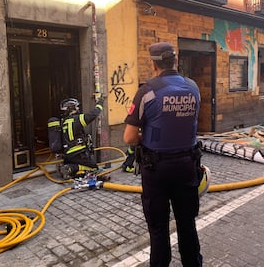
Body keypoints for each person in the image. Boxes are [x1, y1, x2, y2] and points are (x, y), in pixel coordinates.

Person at [123, 42, 203, 266]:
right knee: (187, 224)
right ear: (175, 61)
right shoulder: (193, 88)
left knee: (159, 229)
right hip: (187, 165)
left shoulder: (147, 91)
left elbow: (129, 138)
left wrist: (146, 137)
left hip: (156, 169)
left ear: (153, 63)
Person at [58, 97, 104, 179]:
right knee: (94, 168)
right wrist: (100, 104)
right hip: (78, 153)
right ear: (71, 108)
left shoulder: (63, 121)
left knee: (83, 170)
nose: (78, 108)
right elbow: (93, 114)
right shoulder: (76, 119)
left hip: (68, 154)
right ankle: (70, 167)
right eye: (76, 106)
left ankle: (69, 168)